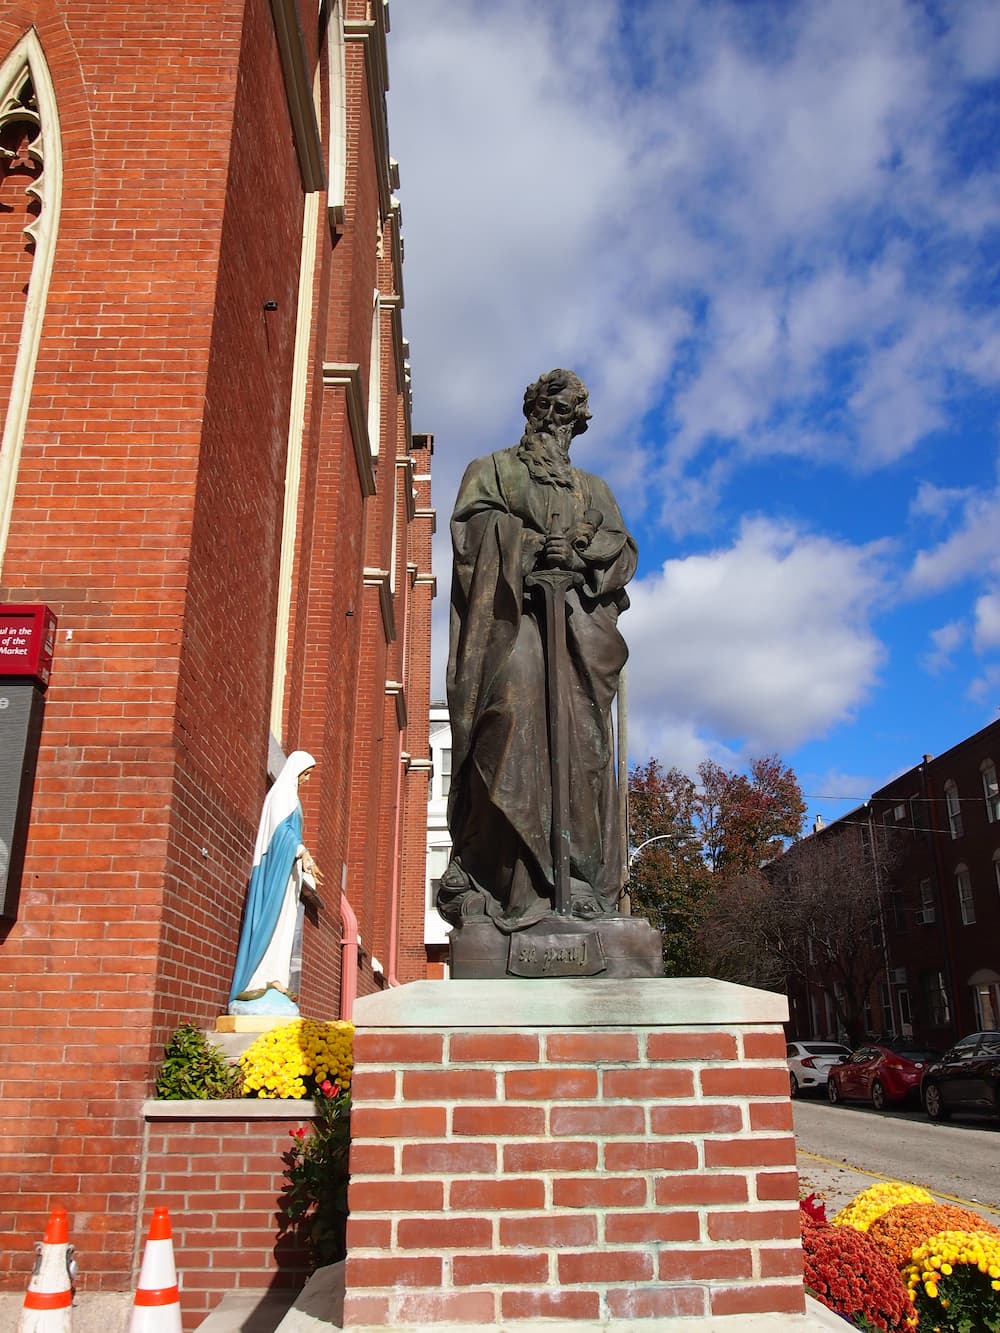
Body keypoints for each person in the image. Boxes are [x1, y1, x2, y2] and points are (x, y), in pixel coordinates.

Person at [439, 369, 637, 933]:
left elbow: (623, 554)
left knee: (582, 745)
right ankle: (512, 880)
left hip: (576, 626)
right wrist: (525, 546)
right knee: (512, 712)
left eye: (572, 414)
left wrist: (582, 554)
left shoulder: (593, 488)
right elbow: (469, 539)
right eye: (553, 410)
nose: (559, 423)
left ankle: (576, 880)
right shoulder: (492, 470)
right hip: (513, 616)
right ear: (535, 411)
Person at [228, 750, 319, 1015]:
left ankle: (276, 977)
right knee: (272, 921)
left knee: (284, 926)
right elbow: (280, 833)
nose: (308, 779)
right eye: (306, 774)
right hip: (275, 869)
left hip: (288, 873)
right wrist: (301, 851)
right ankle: (258, 978)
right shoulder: (281, 795)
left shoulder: (291, 797)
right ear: (295, 771)